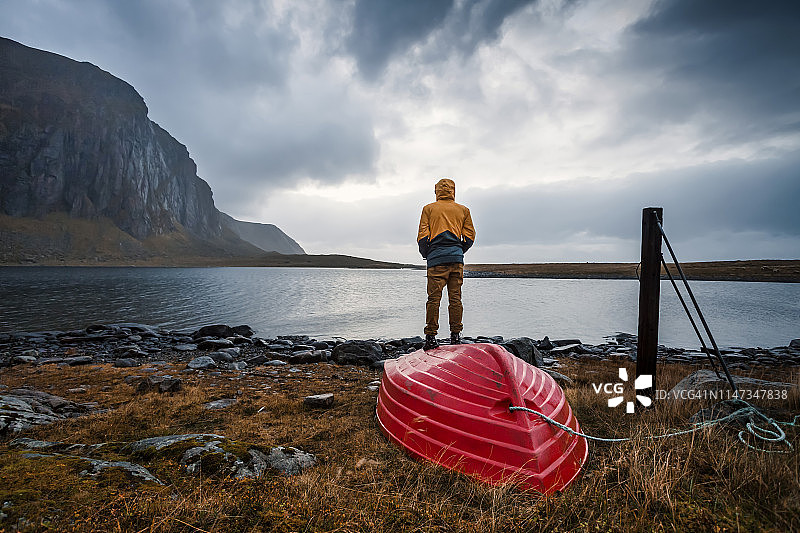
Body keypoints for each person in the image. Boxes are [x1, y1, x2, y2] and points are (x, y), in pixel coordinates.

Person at [417, 178, 476, 350]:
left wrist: (427, 254)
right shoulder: (463, 210)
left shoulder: (428, 209)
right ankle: (455, 336)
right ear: (453, 190)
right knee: (455, 298)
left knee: (433, 299)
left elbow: (422, 237)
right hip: (456, 259)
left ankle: (430, 338)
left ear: (436, 191)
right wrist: (458, 251)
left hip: (436, 259)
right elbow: (470, 238)